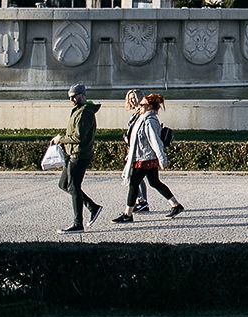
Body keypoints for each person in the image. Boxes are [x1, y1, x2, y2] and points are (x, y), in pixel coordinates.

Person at [112, 93, 184, 223]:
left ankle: (127, 214)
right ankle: (176, 205)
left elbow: (155, 141)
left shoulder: (149, 121)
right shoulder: (143, 118)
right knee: (154, 182)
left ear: (149, 107)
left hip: (145, 158)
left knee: (133, 183)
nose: (139, 106)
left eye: (142, 105)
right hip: (144, 157)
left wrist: (162, 158)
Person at [51, 83, 103, 234]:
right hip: (72, 154)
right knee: (64, 184)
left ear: (82, 95)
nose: (72, 99)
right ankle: (92, 207)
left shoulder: (86, 111)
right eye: (70, 97)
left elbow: (78, 136)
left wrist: (60, 138)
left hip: (79, 155)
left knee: (74, 187)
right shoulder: (78, 110)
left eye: (74, 96)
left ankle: (77, 224)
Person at [122, 89, 150, 212]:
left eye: (134, 98)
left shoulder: (142, 113)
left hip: (139, 150)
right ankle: (142, 201)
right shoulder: (136, 113)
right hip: (134, 148)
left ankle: (142, 201)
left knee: (133, 177)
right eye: (130, 98)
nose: (132, 100)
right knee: (146, 179)